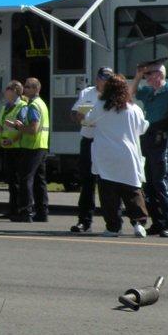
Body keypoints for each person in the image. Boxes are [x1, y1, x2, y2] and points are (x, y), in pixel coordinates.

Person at [83, 74, 150, 237]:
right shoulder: (134, 109)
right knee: (132, 190)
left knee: (109, 193)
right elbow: (142, 128)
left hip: (106, 155)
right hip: (128, 155)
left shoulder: (100, 106)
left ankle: (113, 227)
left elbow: (87, 122)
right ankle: (138, 223)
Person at [131, 61, 168, 238]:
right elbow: (131, 93)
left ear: (159, 75)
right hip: (149, 137)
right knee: (150, 182)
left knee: (162, 180)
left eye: (149, 74)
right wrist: (138, 75)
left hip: (163, 138)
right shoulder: (149, 92)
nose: (147, 77)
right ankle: (158, 222)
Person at [68, 68, 114, 233]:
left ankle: (113, 222)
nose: (105, 82)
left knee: (108, 183)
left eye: (109, 79)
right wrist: (79, 117)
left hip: (107, 142)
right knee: (87, 182)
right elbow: (74, 113)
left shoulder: (115, 94)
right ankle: (84, 221)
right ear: (97, 79)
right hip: (89, 140)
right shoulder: (87, 92)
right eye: (103, 79)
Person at [9, 77, 49, 222]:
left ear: (35, 89)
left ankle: (25, 212)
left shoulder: (33, 106)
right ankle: (42, 212)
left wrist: (19, 127)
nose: (24, 89)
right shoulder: (42, 104)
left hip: (32, 146)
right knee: (40, 180)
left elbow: (33, 129)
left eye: (27, 87)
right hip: (42, 145)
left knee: (26, 178)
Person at [0, 80, 26, 221]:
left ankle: (18, 210)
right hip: (6, 146)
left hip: (17, 147)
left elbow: (23, 128)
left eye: (8, 88)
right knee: (11, 181)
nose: (5, 91)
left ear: (15, 91)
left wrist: (12, 139)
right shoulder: (5, 106)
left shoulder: (21, 106)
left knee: (17, 181)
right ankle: (12, 209)